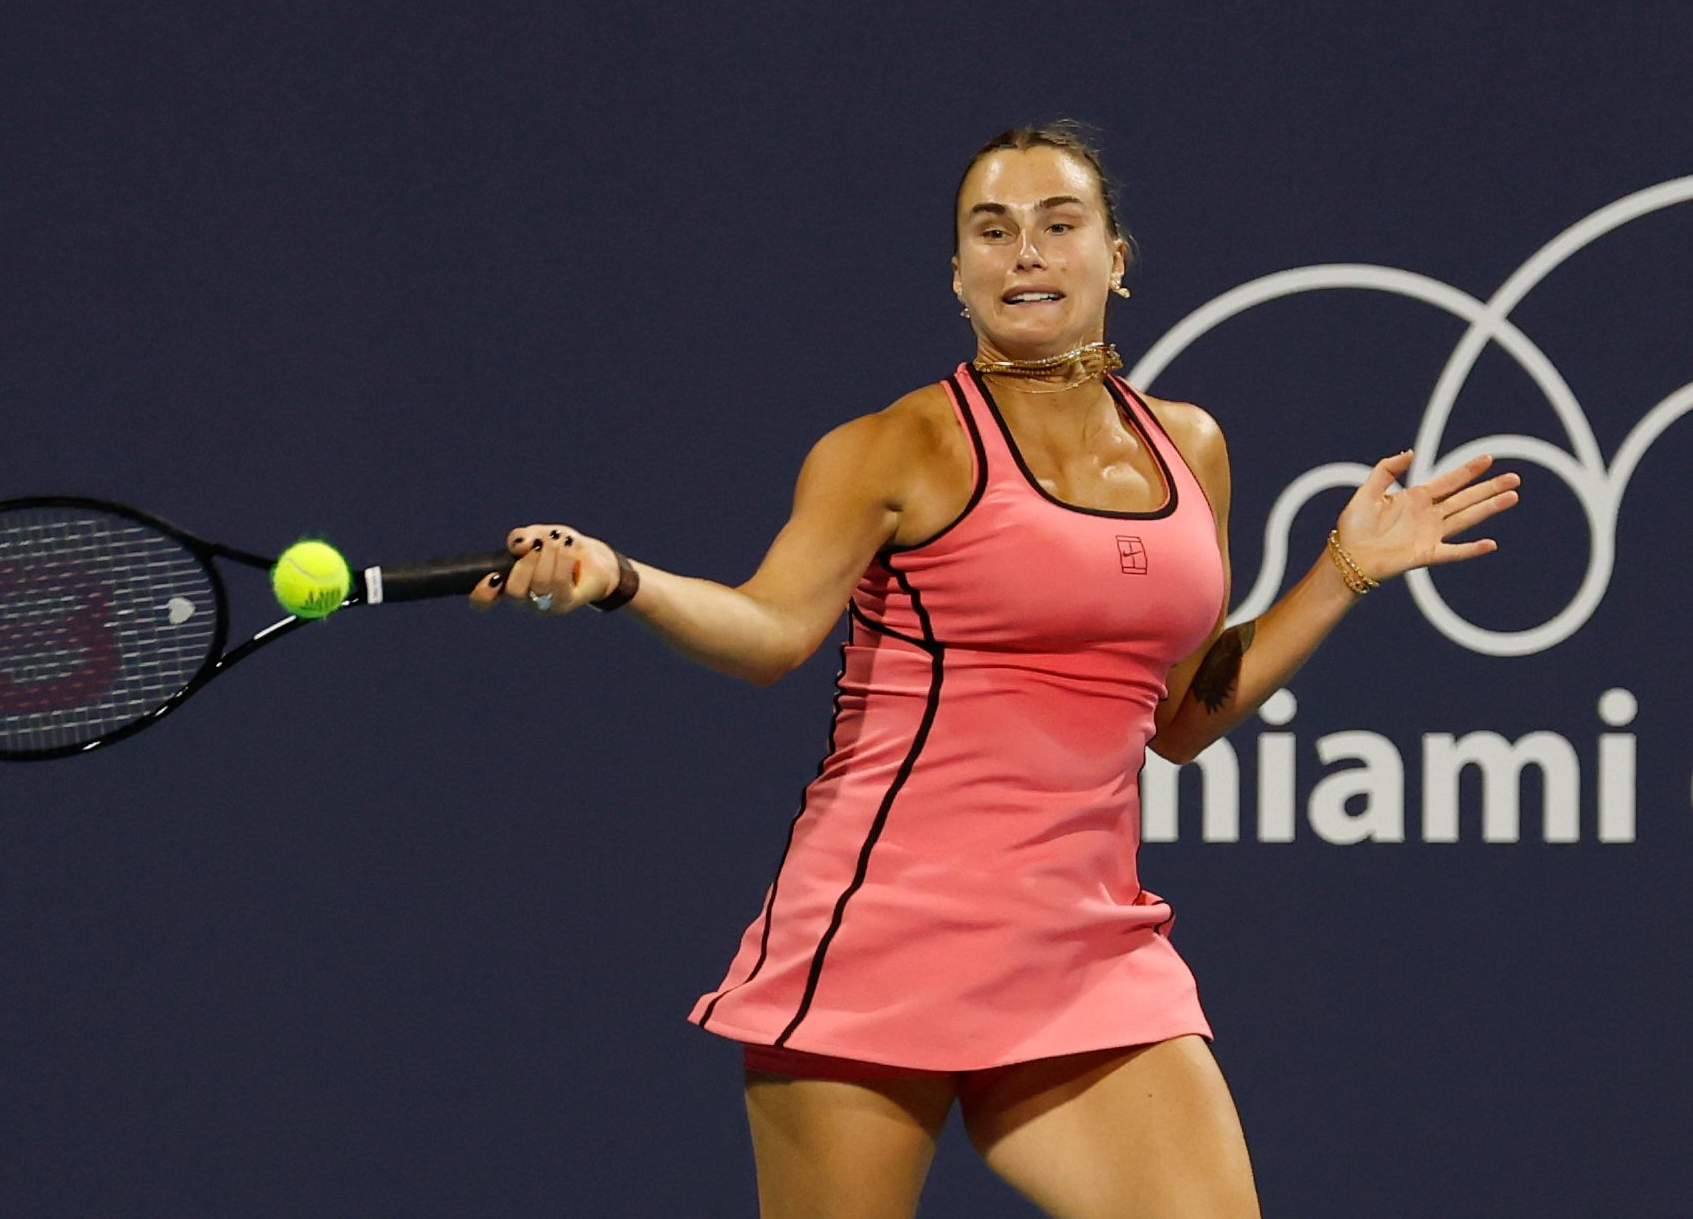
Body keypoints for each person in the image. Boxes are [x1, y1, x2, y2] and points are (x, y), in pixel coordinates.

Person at [468, 123, 1519, 1219]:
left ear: (1114, 256)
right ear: (958, 270)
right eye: (993, 230)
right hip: (883, 936)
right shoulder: (895, 446)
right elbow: (769, 629)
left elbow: (1173, 715)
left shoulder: (1188, 446)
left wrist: (1345, 569)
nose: (1026, 253)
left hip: (1088, 950)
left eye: (1059, 226)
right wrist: (614, 574)